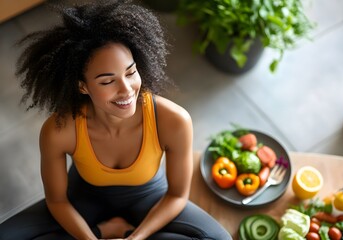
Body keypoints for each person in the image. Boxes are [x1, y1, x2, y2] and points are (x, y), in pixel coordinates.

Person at [0, 1, 232, 239]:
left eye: (130, 72)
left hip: (148, 198)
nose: (127, 90)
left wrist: (136, 237)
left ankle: (125, 230)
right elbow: (57, 202)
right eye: (107, 81)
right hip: (83, 199)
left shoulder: (174, 120)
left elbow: (177, 196)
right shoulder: (59, 130)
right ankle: (105, 230)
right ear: (82, 86)